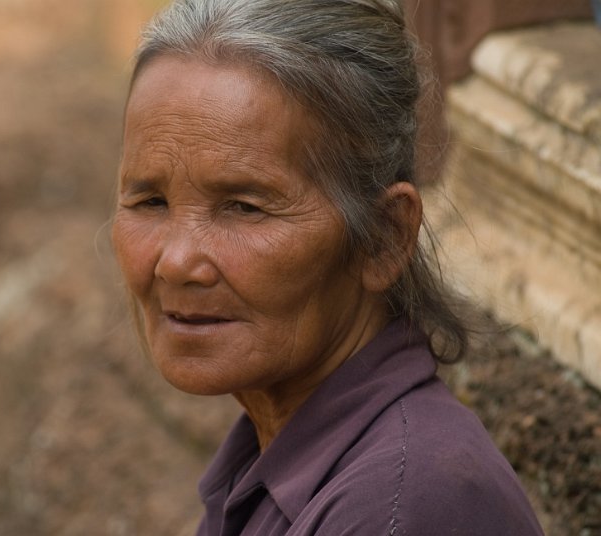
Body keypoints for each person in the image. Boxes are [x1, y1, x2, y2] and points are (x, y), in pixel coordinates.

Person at [111, 0, 545, 534]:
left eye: (245, 207)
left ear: (384, 238)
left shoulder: (404, 507)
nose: (175, 262)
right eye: (150, 202)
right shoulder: (274, 460)